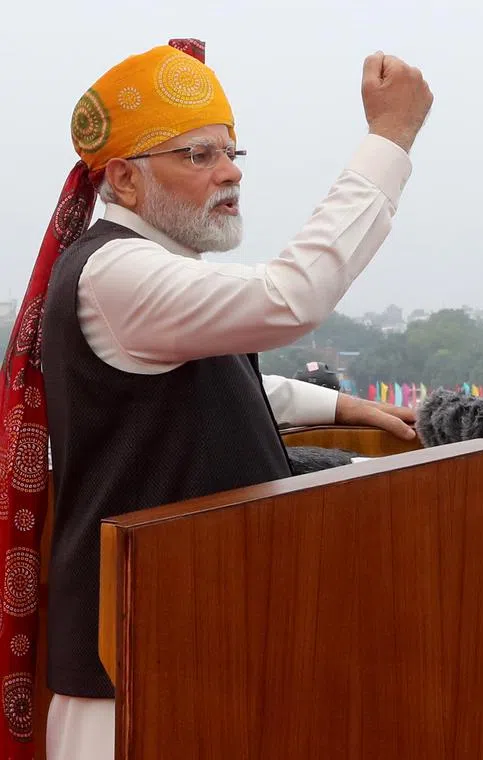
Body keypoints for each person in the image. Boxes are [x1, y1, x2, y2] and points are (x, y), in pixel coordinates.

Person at [0, 38, 432, 760]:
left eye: (232, 153)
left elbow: (203, 383)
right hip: (131, 682)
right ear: (125, 181)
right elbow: (291, 298)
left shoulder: (147, 272)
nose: (230, 174)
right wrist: (389, 140)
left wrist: (342, 408)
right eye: (198, 156)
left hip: (187, 657)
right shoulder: (119, 271)